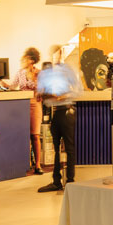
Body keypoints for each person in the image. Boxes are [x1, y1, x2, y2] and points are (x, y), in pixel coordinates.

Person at [37, 45, 81, 192]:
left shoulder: (67, 70)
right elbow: (41, 93)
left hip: (67, 111)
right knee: (56, 148)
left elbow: (77, 90)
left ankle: (70, 181)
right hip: (55, 112)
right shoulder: (47, 73)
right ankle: (56, 181)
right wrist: (44, 94)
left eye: (57, 53)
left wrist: (61, 96)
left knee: (69, 148)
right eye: (52, 53)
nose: (54, 56)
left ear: (61, 53)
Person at [9, 47, 44, 175]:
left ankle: (38, 164)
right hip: (22, 104)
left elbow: (42, 88)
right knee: (23, 135)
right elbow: (12, 87)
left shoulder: (39, 73)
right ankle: (27, 162)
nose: (22, 61)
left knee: (35, 135)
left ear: (32, 60)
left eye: (25, 59)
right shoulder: (20, 73)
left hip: (35, 104)